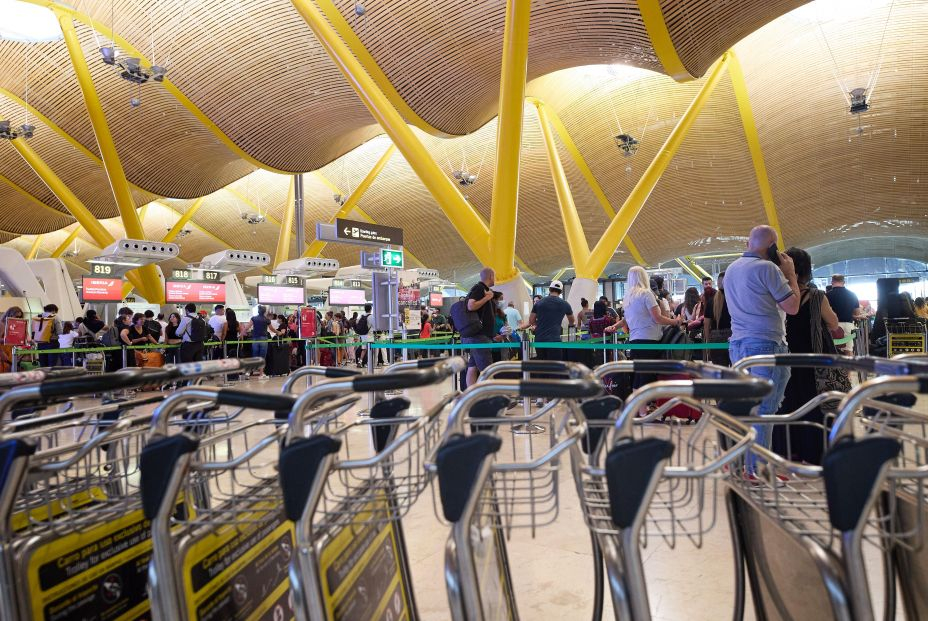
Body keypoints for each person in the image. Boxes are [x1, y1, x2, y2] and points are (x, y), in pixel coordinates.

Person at [724, 225, 801, 479]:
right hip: (766, 345)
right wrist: (790, 275)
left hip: (739, 345)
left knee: (746, 406)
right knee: (765, 407)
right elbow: (792, 307)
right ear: (772, 247)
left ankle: (739, 462)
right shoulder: (767, 269)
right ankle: (757, 468)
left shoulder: (732, 269)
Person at [771, 247, 842, 465]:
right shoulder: (817, 297)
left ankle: (786, 452)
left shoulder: (775, 295)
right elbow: (833, 323)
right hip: (814, 362)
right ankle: (815, 454)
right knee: (815, 407)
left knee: (786, 404)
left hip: (785, 359)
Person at [607, 267, 682, 394]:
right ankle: (643, 410)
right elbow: (657, 318)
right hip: (649, 340)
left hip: (635, 341)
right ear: (644, 277)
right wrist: (675, 321)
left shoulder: (628, 297)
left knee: (638, 376)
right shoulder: (646, 294)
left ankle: (640, 409)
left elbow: (626, 319)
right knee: (647, 377)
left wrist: (615, 326)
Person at [523, 280, 575, 361]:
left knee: (542, 365)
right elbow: (572, 321)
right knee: (555, 366)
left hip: (539, 339)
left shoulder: (539, 303)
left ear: (550, 289)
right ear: (561, 292)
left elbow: (531, 320)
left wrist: (536, 326)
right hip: (555, 340)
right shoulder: (565, 304)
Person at [463, 268, 498, 388]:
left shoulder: (483, 289)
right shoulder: (479, 288)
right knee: (487, 371)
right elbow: (471, 305)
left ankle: (471, 396)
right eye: (495, 276)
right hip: (479, 337)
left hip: (479, 336)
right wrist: (487, 298)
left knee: (472, 368)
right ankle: (492, 399)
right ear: (491, 276)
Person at [703, 271, 732, 366]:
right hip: (734, 338)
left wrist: (708, 344)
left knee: (720, 375)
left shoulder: (711, 301)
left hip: (715, 340)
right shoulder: (736, 299)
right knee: (737, 373)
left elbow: (706, 325)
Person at [31, 304, 63, 368]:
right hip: (52, 343)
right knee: (52, 365)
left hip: (40, 343)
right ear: (54, 310)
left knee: (43, 364)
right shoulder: (55, 317)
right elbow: (60, 332)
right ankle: (51, 377)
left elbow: (33, 331)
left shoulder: (37, 317)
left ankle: (43, 377)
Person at [1, 306, 26, 372]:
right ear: (10, 315)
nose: (18, 319)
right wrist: (1, 352)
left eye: (20, 317)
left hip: (10, 355)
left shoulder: (16, 326)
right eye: (16, 316)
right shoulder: (2, 325)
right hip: (3, 355)